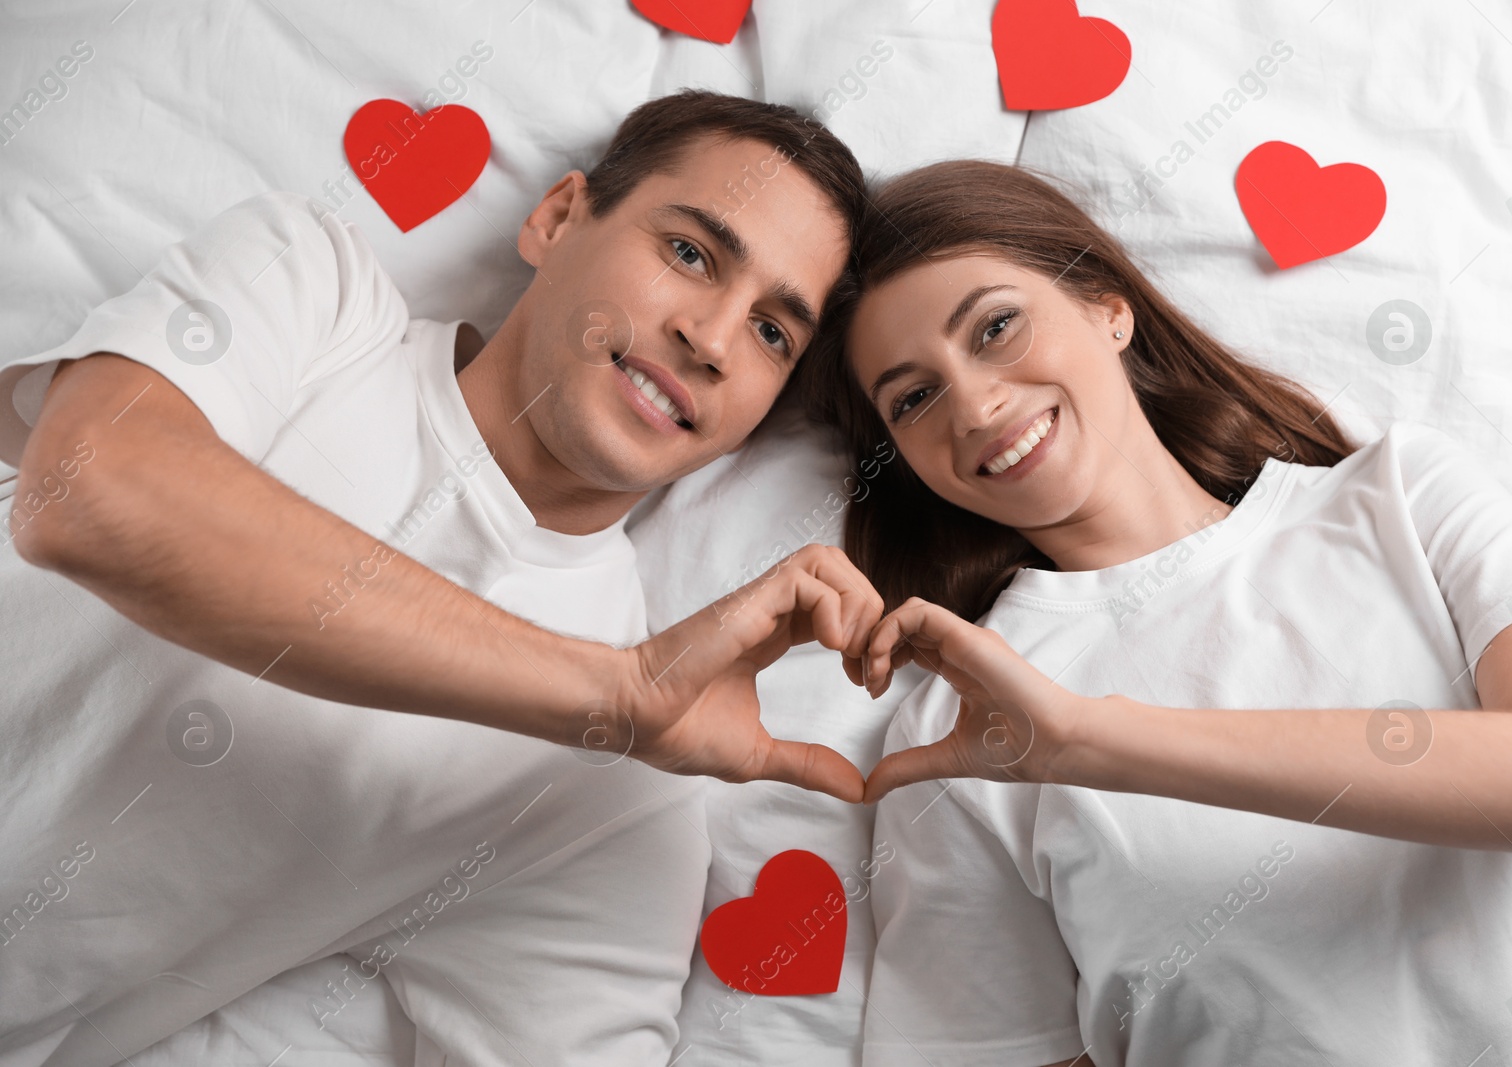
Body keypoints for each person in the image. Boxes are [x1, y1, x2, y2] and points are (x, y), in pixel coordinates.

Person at [0, 91, 886, 1067]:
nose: (711, 339)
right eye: (688, 253)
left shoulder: (622, 782)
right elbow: (91, 494)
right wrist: (611, 693)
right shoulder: (310, 287)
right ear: (557, 217)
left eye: (772, 332)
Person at [802, 160, 1512, 1067]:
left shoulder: (1404, 497)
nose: (976, 405)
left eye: (995, 327)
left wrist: (1090, 744)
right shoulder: (955, 726)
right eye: (913, 397)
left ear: (1108, 307)